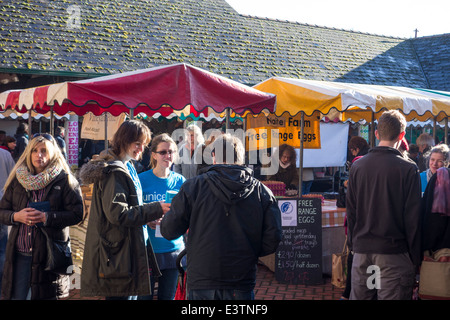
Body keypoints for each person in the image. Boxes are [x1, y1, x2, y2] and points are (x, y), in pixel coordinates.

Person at [161, 133, 282, 300]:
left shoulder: (193, 187)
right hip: (240, 278)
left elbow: (169, 230)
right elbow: (273, 238)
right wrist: (250, 250)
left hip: (203, 277)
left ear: (213, 156)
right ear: (241, 158)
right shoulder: (262, 192)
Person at [79, 120, 171, 300]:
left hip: (123, 253)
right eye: (138, 143)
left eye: (143, 144)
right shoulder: (115, 171)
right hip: (118, 256)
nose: (141, 149)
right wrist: (155, 209)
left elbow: (129, 210)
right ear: (124, 140)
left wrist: (146, 218)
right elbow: (118, 214)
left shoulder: (127, 166)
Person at [346, 110, 422, 300]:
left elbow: (351, 212)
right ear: (402, 135)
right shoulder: (408, 169)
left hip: (363, 252)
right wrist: (415, 258)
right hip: (393, 253)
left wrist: (354, 245)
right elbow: (413, 219)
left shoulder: (358, 167)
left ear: (377, 134)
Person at [0, 133, 83, 300]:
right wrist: (17, 216)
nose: (39, 155)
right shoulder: (17, 180)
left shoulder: (64, 180)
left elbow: (77, 214)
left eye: (44, 150)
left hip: (49, 256)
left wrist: (47, 217)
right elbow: (2, 212)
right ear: (28, 153)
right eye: (35, 150)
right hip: (20, 254)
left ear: (52, 153)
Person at [138, 134, 186, 300]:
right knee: (145, 297)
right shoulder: (141, 180)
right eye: (163, 152)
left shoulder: (181, 181)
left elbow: (187, 215)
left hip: (173, 249)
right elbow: (133, 212)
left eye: (171, 151)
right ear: (153, 154)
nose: (168, 156)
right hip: (147, 249)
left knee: (168, 297)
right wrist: (147, 218)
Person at [0, 148, 15, 298]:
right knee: (3, 248)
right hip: (4, 204)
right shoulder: (5, 154)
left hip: (4, 207)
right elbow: (13, 178)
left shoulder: (5, 154)